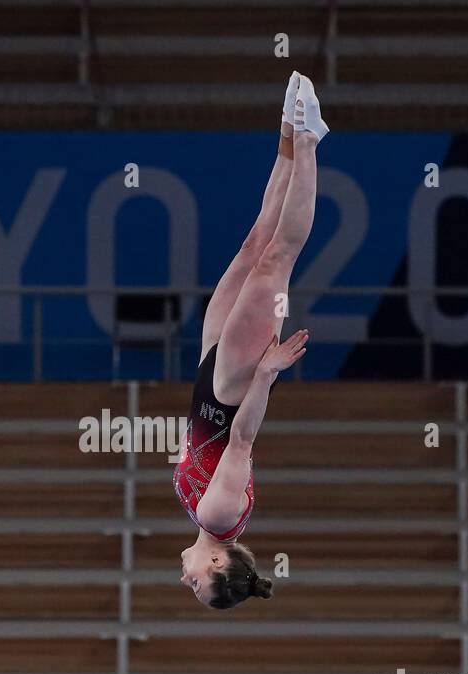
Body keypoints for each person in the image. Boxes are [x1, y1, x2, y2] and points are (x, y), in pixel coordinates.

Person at [174, 71, 328, 609]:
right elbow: (240, 442)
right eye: (198, 583)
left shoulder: (205, 517)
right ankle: (308, 143)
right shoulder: (218, 518)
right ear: (218, 563)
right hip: (236, 383)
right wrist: (266, 373)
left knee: (252, 246)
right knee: (275, 260)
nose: (185, 578)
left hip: (209, 376)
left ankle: (289, 133)